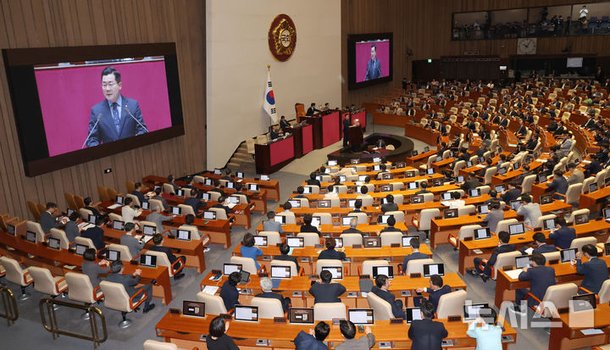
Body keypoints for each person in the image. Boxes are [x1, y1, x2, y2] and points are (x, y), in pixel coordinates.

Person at [85, 66, 147, 147]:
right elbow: (92, 139)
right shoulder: (97, 111)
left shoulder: (133, 105)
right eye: (104, 85)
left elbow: (142, 129)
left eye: (110, 84)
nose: (107, 89)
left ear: (119, 85)